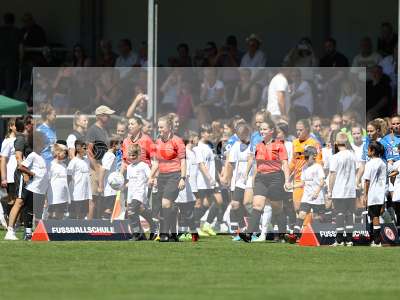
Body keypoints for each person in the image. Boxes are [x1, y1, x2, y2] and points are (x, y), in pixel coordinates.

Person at [240, 120, 290, 243]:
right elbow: (255, 163)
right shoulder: (258, 145)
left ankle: (283, 234)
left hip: (276, 178)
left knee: (277, 208)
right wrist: (248, 175)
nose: (262, 131)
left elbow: (285, 163)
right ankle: (248, 234)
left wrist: (287, 180)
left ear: (272, 131)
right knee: (257, 205)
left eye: (265, 129)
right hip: (261, 178)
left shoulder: (279, 145)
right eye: (261, 129)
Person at [5, 131, 47, 241]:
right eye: (42, 143)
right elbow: (21, 165)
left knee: (33, 210)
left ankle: (31, 233)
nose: (44, 146)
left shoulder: (40, 156)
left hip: (37, 188)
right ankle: (11, 231)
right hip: (27, 183)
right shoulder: (30, 152)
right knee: (20, 203)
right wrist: (29, 174)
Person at [149, 116, 186, 242]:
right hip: (162, 177)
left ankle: (164, 234)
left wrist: (183, 178)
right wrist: (151, 176)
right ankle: (172, 233)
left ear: (169, 127)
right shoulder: (157, 142)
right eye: (158, 127)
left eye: (161, 127)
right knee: (165, 205)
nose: (159, 129)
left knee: (166, 203)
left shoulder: (178, 141)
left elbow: (183, 161)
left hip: (175, 175)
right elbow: (156, 163)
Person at [222, 124, 254, 239]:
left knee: (248, 204)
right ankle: (242, 228)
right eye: (238, 135)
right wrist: (228, 178)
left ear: (247, 133)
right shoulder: (236, 145)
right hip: (239, 180)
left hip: (251, 178)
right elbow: (230, 163)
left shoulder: (253, 145)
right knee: (235, 204)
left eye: (242, 135)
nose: (240, 137)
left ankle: (256, 226)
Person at [287, 146, 325, 242]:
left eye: (308, 157)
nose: (306, 159)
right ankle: (295, 236)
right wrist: (292, 186)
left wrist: (316, 192)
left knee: (317, 217)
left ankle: (321, 235)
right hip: (306, 197)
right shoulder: (304, 167)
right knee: (301, 214)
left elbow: (321, 182)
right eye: (305, 157)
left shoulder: (318, 167)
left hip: (317, 197)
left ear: (314, 156)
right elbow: (303, 183)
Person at [328, 132, 357, 246]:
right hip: (350, 190)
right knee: (349, 214)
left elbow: (332, 174)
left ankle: (339, 240)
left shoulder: (335, 157)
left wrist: (330, 190)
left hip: (339, 190)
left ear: (336, 143)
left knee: (339, 214)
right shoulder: (352, 155)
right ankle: (349, 240)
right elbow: (358, 169)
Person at [86, 105, 115, 219]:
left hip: (104, 168)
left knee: (102, 198)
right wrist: (96, 167)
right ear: (99, 116)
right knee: (93, 198)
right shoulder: (92, 130)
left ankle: (100, 224)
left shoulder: (106, 129)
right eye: (107, 115)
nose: (109, 117)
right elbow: (89, 151)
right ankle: (89, 226)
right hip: (96, 168)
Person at [193, 124, 221, 237]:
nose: (209, 134)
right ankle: (194, 227)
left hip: (210, 181)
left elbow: (212, 164)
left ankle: (207, 224)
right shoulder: (198, 147)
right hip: (201, 181)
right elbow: (201, 165)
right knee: (199, 204)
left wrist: (216, 177)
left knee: (217, 201)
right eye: (207, 132)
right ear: (202, 133)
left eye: (210, 132)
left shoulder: (209, 146)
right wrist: (209, 178)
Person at [125, 144, 157, 241]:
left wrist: (152, 180)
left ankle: (137, 234)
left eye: (133, 156)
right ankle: (152, 226)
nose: (131, 158)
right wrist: (123, 186)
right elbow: (129, 181)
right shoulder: (129, 167)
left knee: (131, 212)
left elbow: (150, 176)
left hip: (140, 193)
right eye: (130, 155)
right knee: (136, 211)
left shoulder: (143, 165)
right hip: (131, 194)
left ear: (139, 155)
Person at [290, 119, 322, 212]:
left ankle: (306, 226)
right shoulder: (295, 143)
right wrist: (287, 176)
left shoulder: (314, 143)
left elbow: (319, 161)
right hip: (297, 179)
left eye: (301, 130)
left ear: (307, 129)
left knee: (306, 208)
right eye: (297, 130)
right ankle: (303, 226)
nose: (298, 132)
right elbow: (293, 161)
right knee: (297, 208)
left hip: (309, 180)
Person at [363, 141, 387, 247]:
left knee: (375, 216)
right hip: (381, 193)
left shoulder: (370, 163)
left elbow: (367, 180)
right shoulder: (382, 163)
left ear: (372, 151)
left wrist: (365, 195)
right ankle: (375, 239)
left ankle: (377, 241)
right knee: (375, 215)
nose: (367, 151)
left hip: (373, 193)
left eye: (368, 149)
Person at [176, 132, 199, 241]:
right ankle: (185, 232)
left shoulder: (191, 152)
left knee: (187, 211)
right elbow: (186, 170)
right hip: (184, 186)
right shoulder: (186, 152)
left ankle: (190, 232)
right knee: (184, 210)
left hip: (190, 186)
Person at [67, 140, 92, 220]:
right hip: (76, 194)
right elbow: (68, 177)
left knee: (83, 214)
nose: (86, 150)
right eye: (84, 148)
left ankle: (80, 231)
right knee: (73, 215)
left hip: (85, 194)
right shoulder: (73, 162)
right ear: (78, 148)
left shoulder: (86, 160)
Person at [0, 13, 22, 97]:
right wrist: (21, 60)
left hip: (1, 59)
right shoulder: (17, 31)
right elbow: (21, 47)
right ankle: (8, 104)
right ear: (13, 21)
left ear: (4, 20)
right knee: (10, 85)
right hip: (12, 60)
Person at [98, 137, 121, 219]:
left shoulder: (108, 155)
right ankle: (105, 226)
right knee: (109, 208)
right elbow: (102, 169)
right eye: (119, 144)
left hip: (112, 188)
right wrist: (100, 185)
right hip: (110, 188)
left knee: (111, 208)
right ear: (114, 145)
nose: (120, 145)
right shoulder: (110, 155)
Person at [0, 118, 17, 223]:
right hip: (11, 175)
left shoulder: (20, 139)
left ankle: (15, 222)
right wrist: (4, 178)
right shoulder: (7, 141)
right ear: (11, 127)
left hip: (20, 174)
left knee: (18, 200)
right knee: (11, 200)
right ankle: (10, 222)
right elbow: (3, 159)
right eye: (15, 125)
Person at [47, 143, 70, 220]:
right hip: (54, 194)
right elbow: (48, 180)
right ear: (58, 152)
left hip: (63, 194)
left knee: (61, 212)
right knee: (52, 212)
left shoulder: (64, 165)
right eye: (64, 152)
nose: (66, 154)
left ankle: (58, 228)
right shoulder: (51, 165)